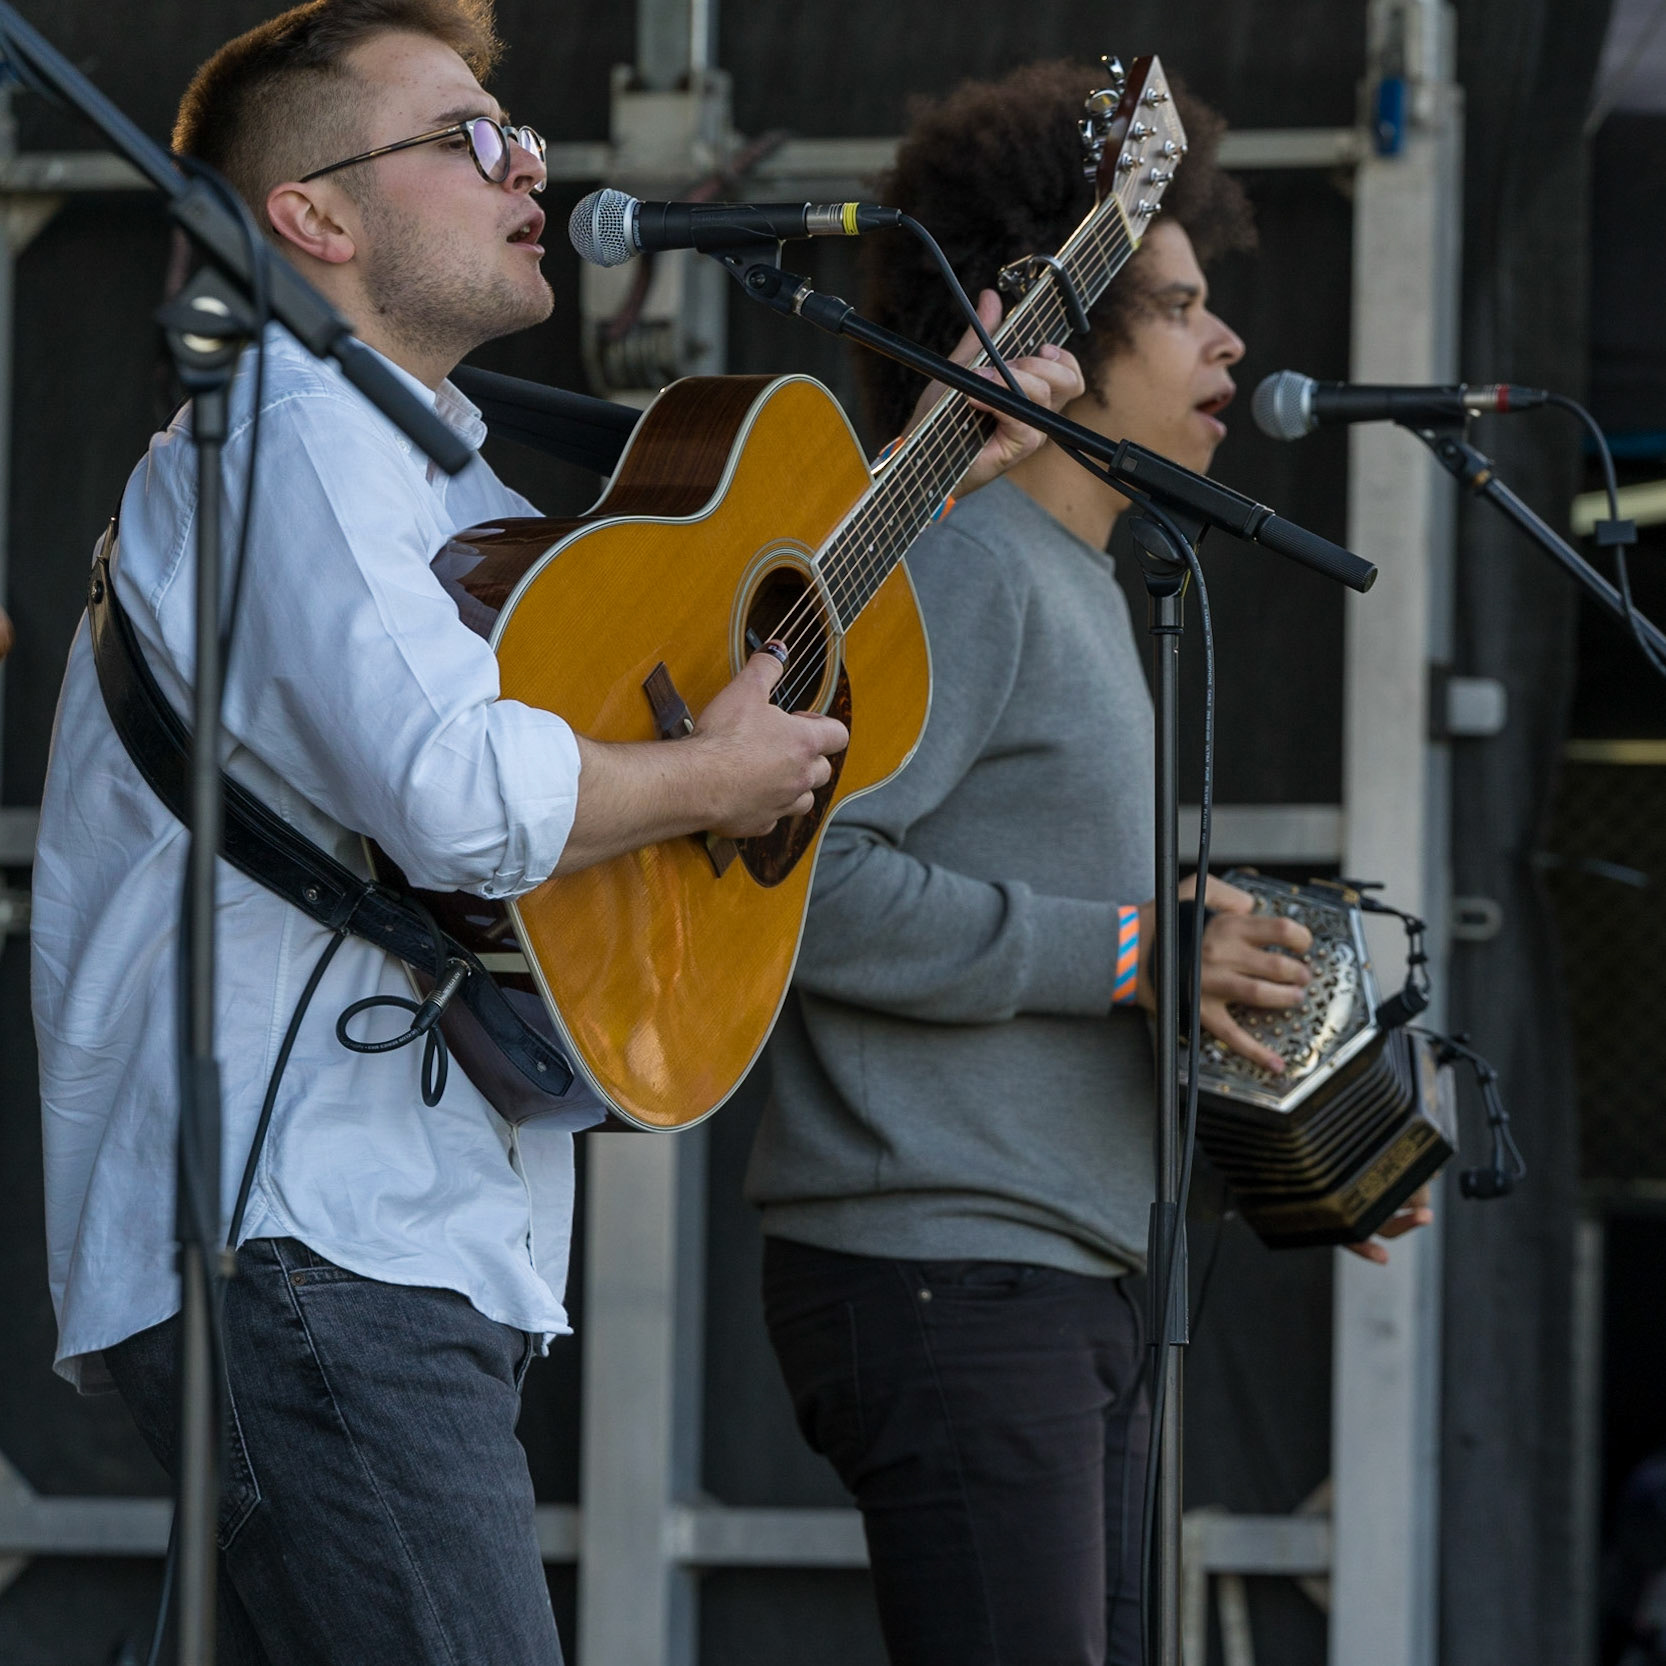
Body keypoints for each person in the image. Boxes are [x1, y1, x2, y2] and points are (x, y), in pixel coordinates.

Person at [28, 4, 1080, 1662]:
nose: (531, 162)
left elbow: (636, 695)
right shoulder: (298, 432)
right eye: (467, 138)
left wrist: (929, 475)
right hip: (306, 1232)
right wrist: (705, 788)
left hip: (383, 1237)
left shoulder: (445, 498)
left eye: (515, 131)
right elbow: (458, 795)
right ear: (311, 214)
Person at [745, 61, 1433, 1666]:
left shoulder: (1076, 581)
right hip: (947, 1274)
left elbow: (1096, 948)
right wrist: (1135, 951)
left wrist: (1303, 1138)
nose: (1227, 343)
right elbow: (806, 877)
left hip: (1044, 1276)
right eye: (1180, 306)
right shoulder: (969, 567)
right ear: (1042, 323)